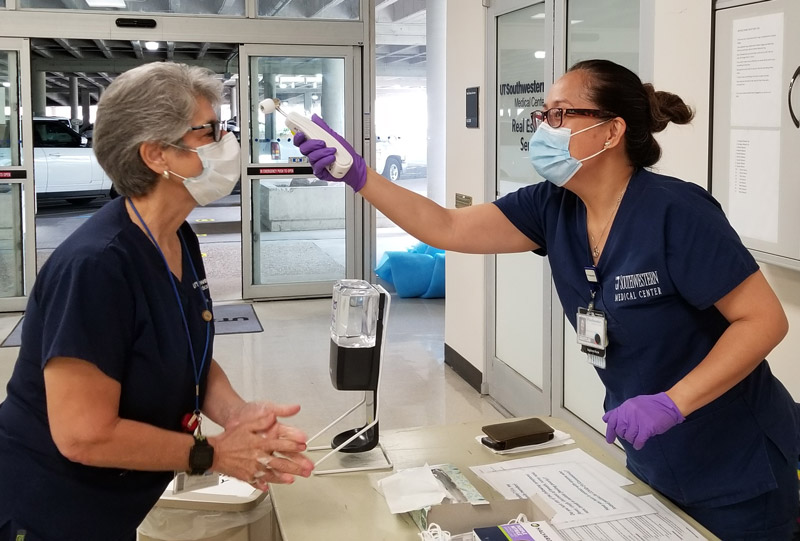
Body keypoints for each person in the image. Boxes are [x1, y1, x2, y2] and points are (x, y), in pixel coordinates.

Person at [293, 59, 799, 540]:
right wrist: (358, 175)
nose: (544, 127)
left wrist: (673, 402)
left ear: (612, 130)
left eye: (560, 114)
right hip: (654, 456)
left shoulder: (676, 211)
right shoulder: (552, 206)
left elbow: (764, 321)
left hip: (738, 461)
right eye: (544, 114)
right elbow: (445, 226)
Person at [0, 62, 314, 541]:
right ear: (155, 155)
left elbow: (188, 352)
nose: (225, 142)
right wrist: (213, 453)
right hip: (46, 508)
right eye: (208, 130)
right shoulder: (96, 267)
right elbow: (83, 434)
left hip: (114, 506)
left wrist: (236, 415)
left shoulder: (175, 236)